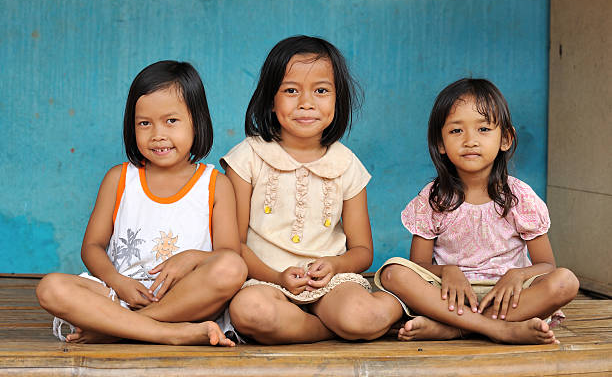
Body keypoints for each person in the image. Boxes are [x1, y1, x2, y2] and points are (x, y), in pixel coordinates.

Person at [36, 61, 247, 346]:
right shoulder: (119, 179)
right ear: (131, 126)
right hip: (119, 296)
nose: (157, 134)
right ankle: (168, 334)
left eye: (171, 121)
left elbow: (228, 253)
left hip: (184, 302)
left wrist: (192, 258)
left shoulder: (215, 184)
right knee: (51, 288)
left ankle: (121, 329)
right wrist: (117, 281)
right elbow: (92, 247)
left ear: (197, 122)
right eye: (144, 123)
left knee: (231, 268)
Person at [221, 35, 402, 344]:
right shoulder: (247, 157)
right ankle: (325, 330)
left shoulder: (346, 164)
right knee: (251, 312)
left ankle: (405, 307)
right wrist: (276, 277)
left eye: (321, 91)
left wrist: (334, 265)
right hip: (265, 280)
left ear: (337, 99)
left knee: (363, 315)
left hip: (330, 284)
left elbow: (362, 252)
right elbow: (232, 245)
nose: (306, 103)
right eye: (291, 91)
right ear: (270, 99)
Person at [375, 78, 579, 345]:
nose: (470, 141)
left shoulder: (520, 198)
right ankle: (496, 329)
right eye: (457, 131)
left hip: (508, 299)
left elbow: (547, 266)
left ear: (505, 138)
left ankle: (455, 329)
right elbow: (419, 267)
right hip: (449, 297)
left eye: (483, 129)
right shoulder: (433, 199)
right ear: (440, 143)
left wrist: (516, 275)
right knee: (393, 273)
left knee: (566, 281)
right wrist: (447, 271)